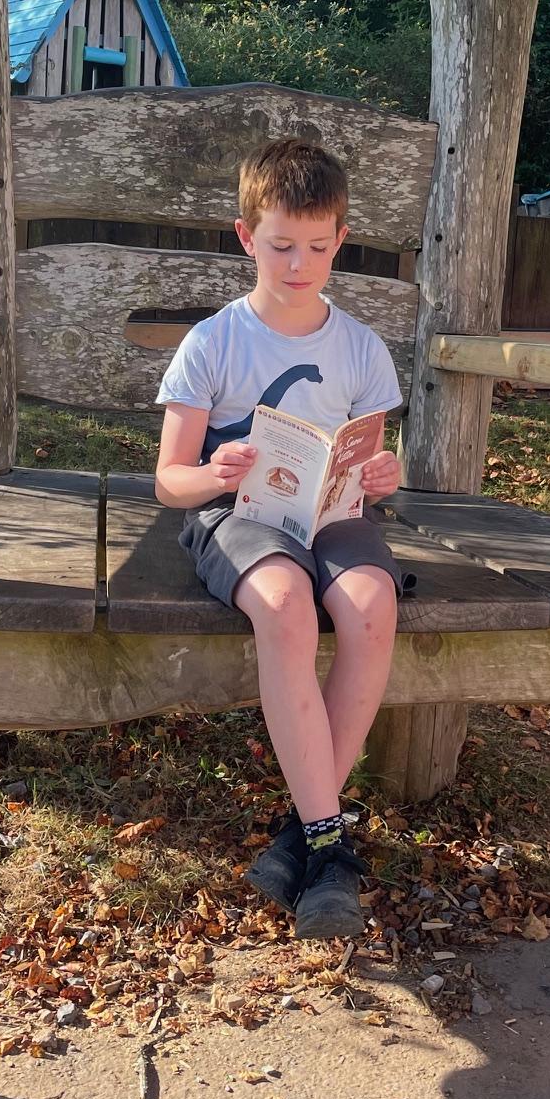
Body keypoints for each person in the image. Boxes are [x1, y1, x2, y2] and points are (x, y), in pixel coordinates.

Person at [154, 138, 406, 941]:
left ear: (341, 240)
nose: (300, 265)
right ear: (246, 237)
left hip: (333, 516)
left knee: (371, 607)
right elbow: (168, 482)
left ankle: (305, 831)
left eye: (319, 247)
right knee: (288, 606)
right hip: (237, 516)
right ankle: (329, 847)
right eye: (282, 245)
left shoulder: (359, 347)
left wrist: (384, 474)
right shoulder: (214, 342)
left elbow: (370, 460)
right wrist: (213, 471)